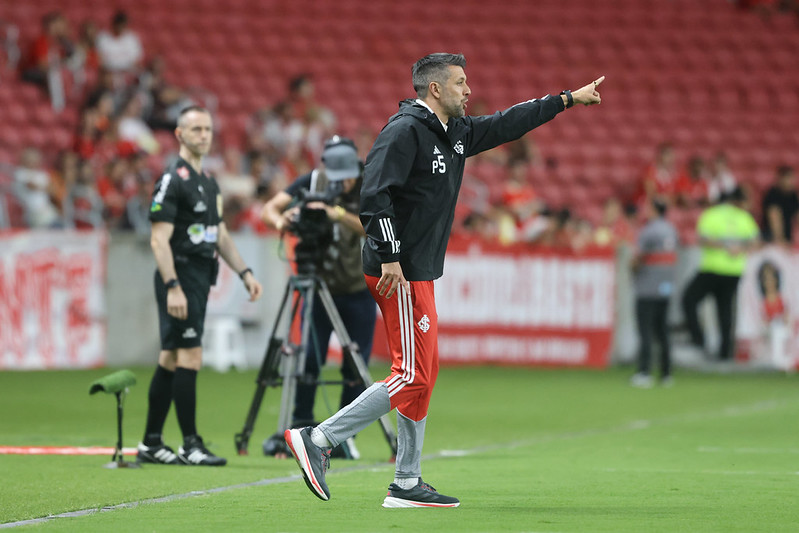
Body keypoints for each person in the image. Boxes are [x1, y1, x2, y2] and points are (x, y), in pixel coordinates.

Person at [284, 52, 603, 507]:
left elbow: (507, 123)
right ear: (435, 89)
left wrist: (566, 100)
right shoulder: (404, 130)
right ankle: (318, 439)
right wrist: (390, 256)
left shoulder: (454, 132)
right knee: (411, 373)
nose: (468, 91)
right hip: (397, 271)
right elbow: (374, 197)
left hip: (419, 271)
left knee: (423, 374)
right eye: (460, 83)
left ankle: (406, 482)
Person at [137, 106, 263, 466]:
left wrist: (245, 272)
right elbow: (158, 240)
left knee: (171, 357)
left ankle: (151, 442)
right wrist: (172, 285)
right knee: (190, 355)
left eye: (207, 129)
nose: (203, 135)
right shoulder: (172, 179)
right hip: (179, 277)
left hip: (198, 278)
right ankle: (190, 444)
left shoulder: (208, 182)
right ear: (179, 134)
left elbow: (219, 233)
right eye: (195, 129)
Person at [260, 136, 377, 458]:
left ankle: (343, 435)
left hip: (358, 289)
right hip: (319, 287)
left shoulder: (369, 183)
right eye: (338, 178)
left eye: (348, 177)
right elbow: (269, 209)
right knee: (309, 358)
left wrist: (334, 213)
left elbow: (373, 227)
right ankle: (301, 429)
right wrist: (283, 221)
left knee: (355, 366)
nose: (344, 183)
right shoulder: (311, 182)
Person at [681, 187, 759, 362]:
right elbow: (755, 241)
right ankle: (725, 352)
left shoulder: (711, 214)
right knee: (725, 311)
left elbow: (703, 239)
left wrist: (723, 246)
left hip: (712, 268)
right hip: (734, 271)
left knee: (689, 299)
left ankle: (698, 339)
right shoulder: (744, 217)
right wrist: (739, 248)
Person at [630, 199, 679, 388]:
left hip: (648, 287)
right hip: (666, 287)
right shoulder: (671, 229)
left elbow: (638, 257)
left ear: (654, 210)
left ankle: (644, 372)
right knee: (663, 330)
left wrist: (632, 268)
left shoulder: (648, 231)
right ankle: (666, 374)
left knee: (646, 331)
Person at [760, 165, 798, 247]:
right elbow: (774, 217)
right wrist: (780, 240)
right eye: (788, 178)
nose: (791, 182)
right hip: (771, 238)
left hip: (787, 238)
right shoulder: (773, 195)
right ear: (780, 179)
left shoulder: (793, 195)